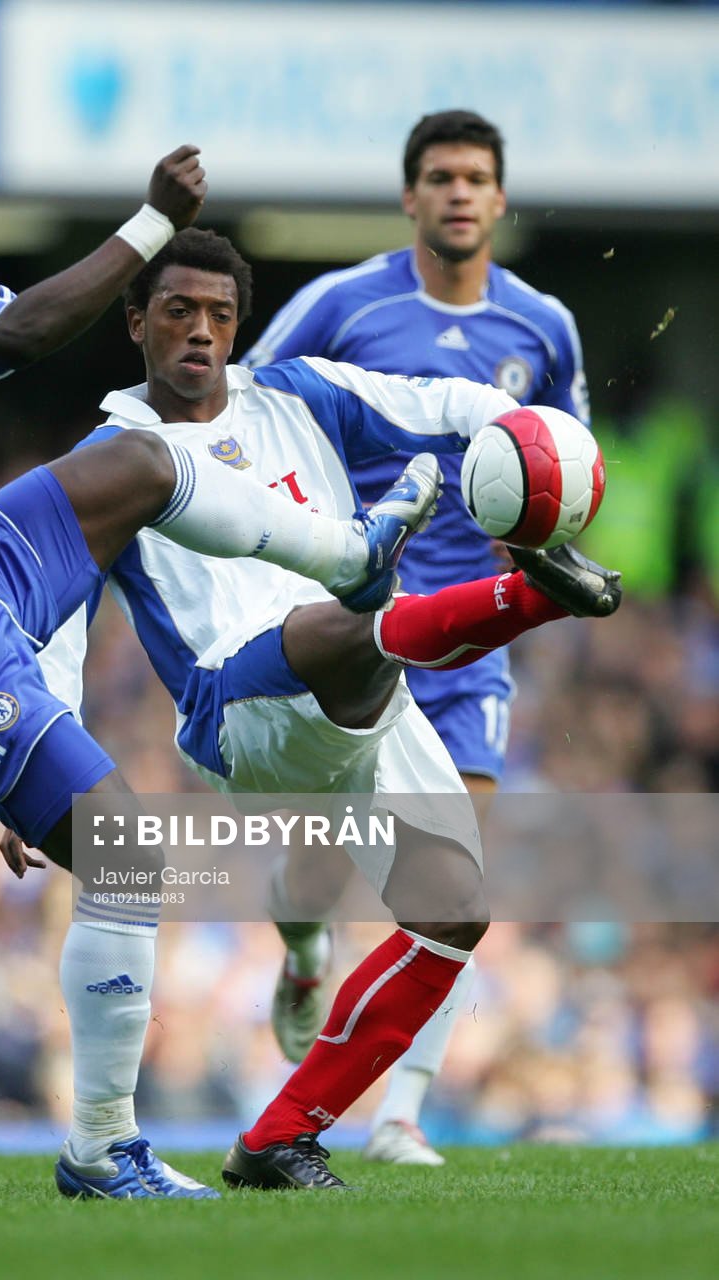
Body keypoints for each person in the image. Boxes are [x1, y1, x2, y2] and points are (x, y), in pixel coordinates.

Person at [0, 122, 440, 1200]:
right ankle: (102, 1147)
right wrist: (154, 222)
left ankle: (347, 553)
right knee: (132, 856)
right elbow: (23, 333)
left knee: (139, 460)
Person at [7, 227, 620, 1191]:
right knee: (347, 618)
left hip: (362, 692)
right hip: (236, 706)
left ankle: (279, 1137)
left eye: (218, 314)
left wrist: (522, 437)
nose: (200, 332)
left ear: (238, 324)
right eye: (177, 312)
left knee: (453, 915)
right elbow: (56, 626)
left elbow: (442, 402)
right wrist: (30, 772)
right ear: (135, 323)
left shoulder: (298, 393)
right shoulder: (113, 457)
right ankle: (529, 598)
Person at [241, 109, 591, 1165]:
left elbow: (566, 456)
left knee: (455, 879)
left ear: (500, 198)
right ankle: (304, 949)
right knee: (312, 875)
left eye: (476, 177)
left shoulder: (544, 327)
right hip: (347, 623)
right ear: (409, 196)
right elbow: (247, 406)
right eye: (439, 175)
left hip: (468, 640)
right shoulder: (341, 304)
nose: (458, 192)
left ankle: (400, 1114)